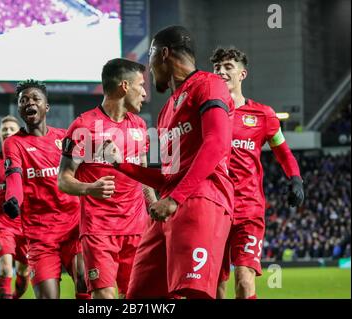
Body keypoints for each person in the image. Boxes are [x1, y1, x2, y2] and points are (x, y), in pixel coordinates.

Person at [101, 25, 235, 299]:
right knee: (138, 296)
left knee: (195, 293)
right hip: (168, 209)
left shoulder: (209, 84)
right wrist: (121, 164)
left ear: (163, 53)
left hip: (202, 201)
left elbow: (217, 143)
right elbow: (167, 176)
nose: (149, 71)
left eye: (150, 61)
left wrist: (175, 199)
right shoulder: (165, 112)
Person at [211, 47, 304, 299]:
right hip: (214, 207)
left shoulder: (263, 114)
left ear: (243, 74)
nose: (221, 71)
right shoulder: (207, 113)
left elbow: (283, 152)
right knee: (215, 286)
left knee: (244, 280)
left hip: (248, 209)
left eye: (228, 66)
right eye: (217, 67)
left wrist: (295, 178)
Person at [58, 58, 156, 299]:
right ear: (124, 86)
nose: (144, 93)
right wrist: (90, 188)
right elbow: (63, 179)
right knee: (104, 298)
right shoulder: (83, 126)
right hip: (99, 231)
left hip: (137, 230)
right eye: (141, 85)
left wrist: (154, 206)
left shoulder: (140, 126)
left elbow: (143, 176)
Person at [2, 80, 89, 299]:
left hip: (73, 228)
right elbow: (14, 176)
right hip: (40, 235)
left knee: (85, 281)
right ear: (20, 109)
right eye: (23, 100)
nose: (29, 103)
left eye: (34, 98)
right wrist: (13, 199)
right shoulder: (14, 143)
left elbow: (85, 170)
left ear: (46, 106)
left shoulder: (64, 137)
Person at [0, 115, 30, 299]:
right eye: (4, 129)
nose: (7, 132)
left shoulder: (28, 159)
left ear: (18, 133)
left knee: (23, 271)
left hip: (26, 223)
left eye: (11, 129)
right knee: (5, 269)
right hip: (2, 223)